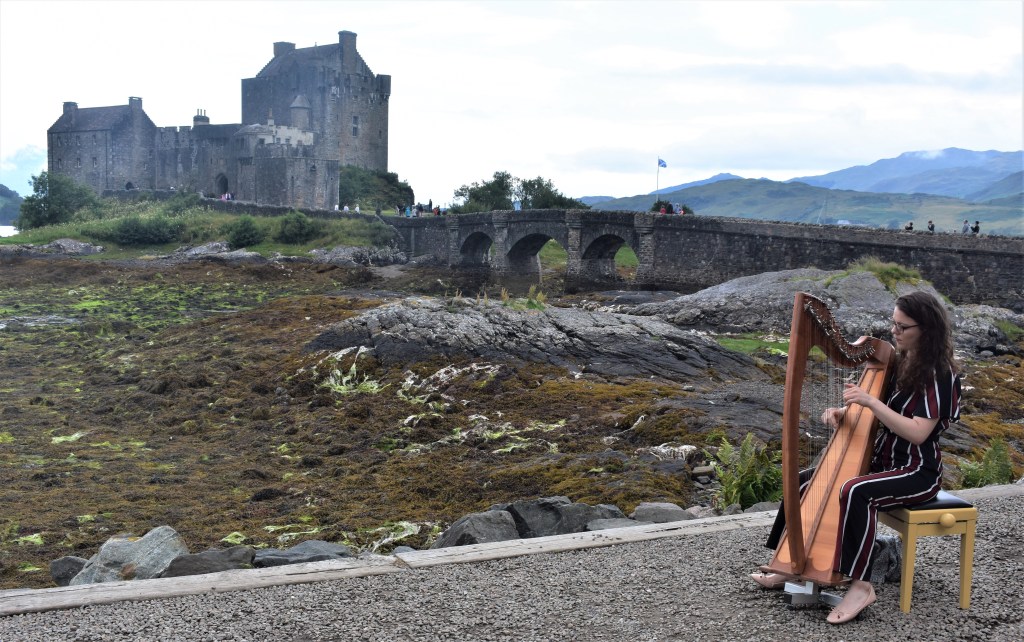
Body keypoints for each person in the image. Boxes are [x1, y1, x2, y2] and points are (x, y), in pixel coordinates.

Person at [751, 291, 961, 625]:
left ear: (927, 329)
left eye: (903, 327)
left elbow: (918, 432)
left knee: (854, 491)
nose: (895, 331)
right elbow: (877, 415)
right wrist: (844, 413)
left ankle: (861, 586)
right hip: (884, 461)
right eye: (893, 323)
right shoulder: (900, 362)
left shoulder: (939, 374)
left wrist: (869, 402)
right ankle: (787, 562)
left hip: (915, 469)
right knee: (803, 479)